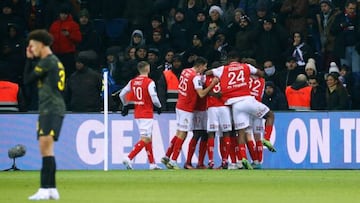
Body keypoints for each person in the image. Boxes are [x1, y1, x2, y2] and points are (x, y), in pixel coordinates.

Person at [206, 51, 276, 169]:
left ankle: (243, 158)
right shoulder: (246, 67)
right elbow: (261, 73)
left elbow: (208, 72)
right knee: (270, 115)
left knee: (241, 132)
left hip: (235, 105)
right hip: (247, 100)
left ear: (229, 60)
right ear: (237, 59)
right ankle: (267, 139)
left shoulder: (223, 68)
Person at [24, 29, 66, 200]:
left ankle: (44, 188)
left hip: (50, 108)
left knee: (45, 149)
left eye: (32, 45)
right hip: (53, 108)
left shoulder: (48, 61)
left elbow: (27, 79)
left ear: (41, 44)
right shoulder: (55, 61)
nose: (31, 48)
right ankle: (52, 189)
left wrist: (29, 60)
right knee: (49, 150)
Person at [161, 57, 219, 169]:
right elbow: (201, 94)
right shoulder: (195, 77)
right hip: (186, 107)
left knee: (179, 133)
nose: (205, 68)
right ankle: (173, 161)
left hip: (180, 104)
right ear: (200, 65)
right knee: (183, 133)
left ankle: (167, 156)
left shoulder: (185, 71)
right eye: (205, 66)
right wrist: (213, 84)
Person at [120, 61, 162, 170]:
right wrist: (159, 106)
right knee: (145, 138)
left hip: (137, 113)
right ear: (148, 69)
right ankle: (129, 157)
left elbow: (122, 94)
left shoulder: (133, 81)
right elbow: (153, 96)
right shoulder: (149, 82)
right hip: (146, 113)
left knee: (148, 138)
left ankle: (152, 164)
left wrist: (125, 105)